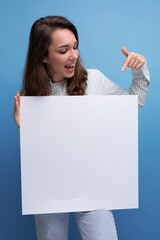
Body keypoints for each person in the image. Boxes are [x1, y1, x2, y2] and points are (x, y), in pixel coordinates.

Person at [13, 16, 150, 240]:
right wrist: (23, 128)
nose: (74, 55)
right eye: (63, 50)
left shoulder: (93, 79)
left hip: (93, 183)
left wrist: (140, 69)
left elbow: (133, 102)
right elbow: (34, 160)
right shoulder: (32, 95)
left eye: (75, 47)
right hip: (51, 187)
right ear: (43, 56)